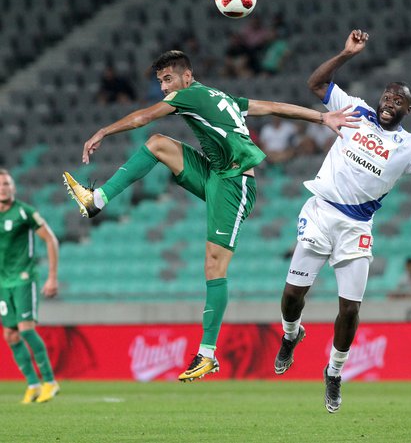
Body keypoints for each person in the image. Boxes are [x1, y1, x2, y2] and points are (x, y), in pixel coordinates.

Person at [62, 50, 359, 383]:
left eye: (168, 79)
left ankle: (207, 355)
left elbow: (144, 116)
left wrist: (103, 131)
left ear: (187, 76)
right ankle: (96, 199)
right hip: (214, 173)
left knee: (213, 264)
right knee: (158, 144)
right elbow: (271, 106)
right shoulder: (220, 97)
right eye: (160, 81)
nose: (163, 87)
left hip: (235, 184)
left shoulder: (189, 95)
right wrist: (321, 118)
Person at [273, 30, 411, 413]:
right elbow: (315, 83)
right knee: (291, 297)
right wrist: (346, 53)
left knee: (349, 309)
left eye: (398, 101)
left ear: (408, 111)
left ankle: (333, 372)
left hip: (356, 228)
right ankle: (290, 335)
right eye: (387, 95)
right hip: (321, 213)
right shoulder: (355, 109)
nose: (389, 103)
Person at [0, 169, 60, 403]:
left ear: (13, 188)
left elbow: (51, 239)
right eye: (0, 184)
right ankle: (33, 384)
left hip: (24, 278)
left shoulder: (24, 212)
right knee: (10, 335)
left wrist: (52, 277)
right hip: (3, 283)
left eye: (7, 184)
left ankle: (50, 381)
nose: (4, 188)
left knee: (26, 329)